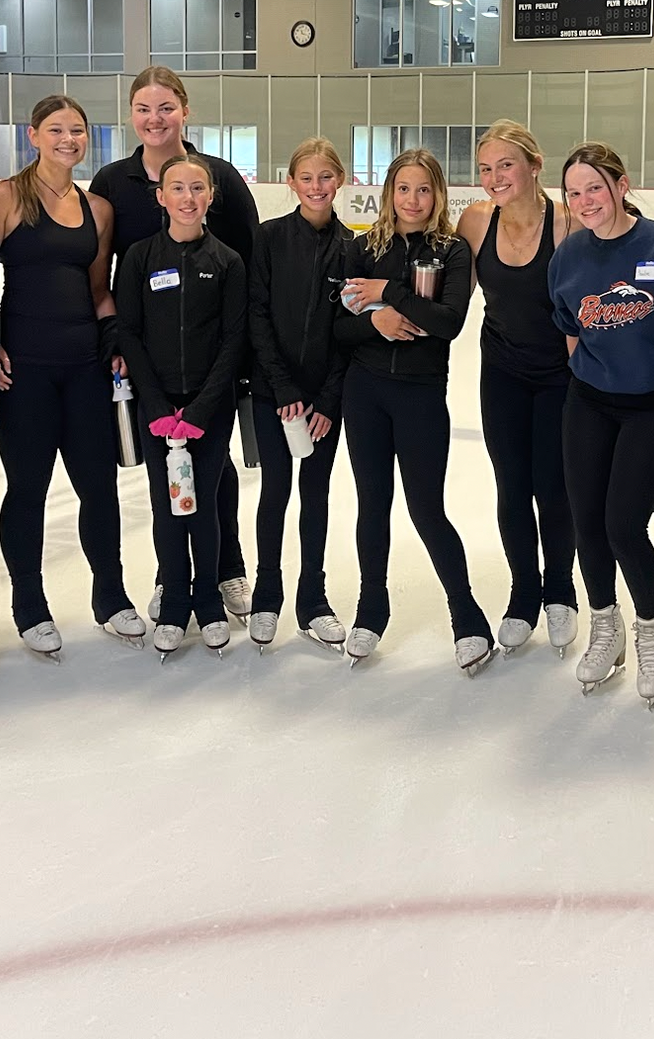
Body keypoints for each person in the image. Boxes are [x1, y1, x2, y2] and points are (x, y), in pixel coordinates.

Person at [89, 67, 260, 624]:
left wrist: (241, 357)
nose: (154, 119)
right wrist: (116, 339)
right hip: (151, 358)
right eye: (143, 108)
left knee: (216, 472)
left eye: (166, 107)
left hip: (211, 352)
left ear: (185, 110)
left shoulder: (221, 177)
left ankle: (225, 569)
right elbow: (102, 268)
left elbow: (248, 264)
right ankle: (172, 580)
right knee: (166, 474)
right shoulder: (113, 182)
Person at [0, 94, 145, 659]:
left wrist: (116, 343)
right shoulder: (4, 198)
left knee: (98, 487)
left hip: (84, 369)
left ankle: (112, 596)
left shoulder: (98, 209)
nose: (68, 139)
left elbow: (99, 290)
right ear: (33, 136)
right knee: (28, 488)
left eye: (77, 130)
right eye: (55, 130)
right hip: (22, 370)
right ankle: (29, 604)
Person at [548, 143, 654, 708]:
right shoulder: (568, 256)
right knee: (585, 522)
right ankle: (605, 625)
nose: (585, 201)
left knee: (622, 524)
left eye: (595, 187)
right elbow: (570, 331)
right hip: (590, 401)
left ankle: (650, 629)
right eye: (574, 192)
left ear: (621, 185)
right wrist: (595, 373)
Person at [336, 149, 494, 671]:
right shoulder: (364, 248)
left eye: (423, 189)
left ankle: (466, 614)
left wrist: (388, 293)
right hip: (366, 392)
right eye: (403, 188)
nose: (412, 199)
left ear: (438, 194)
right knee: (371, 503)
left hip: (422, 394)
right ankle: (370, 610)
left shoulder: (452, 252)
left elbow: (447, 322)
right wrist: (376, 321)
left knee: (427, 509)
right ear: (389, 192)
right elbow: (339, 323)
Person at [116, 153, 248, 660]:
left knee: (205, 506)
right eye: (177, 188)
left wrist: (200, 411)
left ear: (211, 196)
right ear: (161, 197)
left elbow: (234, 339)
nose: (188, 198)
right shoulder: (140, 258)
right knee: (167, 507)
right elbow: (129, 331)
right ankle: (174, 602)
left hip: (209, 412)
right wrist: (156, 405)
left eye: (198, 188)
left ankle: (208, 602)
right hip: (157, 409)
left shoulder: (228, 261)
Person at [456, 119, 578, 659]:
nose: (494, 177)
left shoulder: (567, 224)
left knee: (553, 488)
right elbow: (447, 297)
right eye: (485, 168)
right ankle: (524, 592)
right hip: (501, 370)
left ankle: (561, 589)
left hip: (559, 375)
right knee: (512, 486)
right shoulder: (477, 221)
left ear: (534, 165)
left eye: (506, 164)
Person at [245, 137, 358, 651]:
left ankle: (313, 599)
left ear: (341, 181)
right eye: (306, 178)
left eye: (326, 177)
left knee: (316, 495)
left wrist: (328, 399)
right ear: (291, 183)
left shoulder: (352, 248)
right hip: (274, 395)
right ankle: (267, 594)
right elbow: (257, 315)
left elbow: (347, 331)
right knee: (275, 492)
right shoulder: (268, 239)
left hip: (322, 403)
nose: (317, 187)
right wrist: (282, 387)